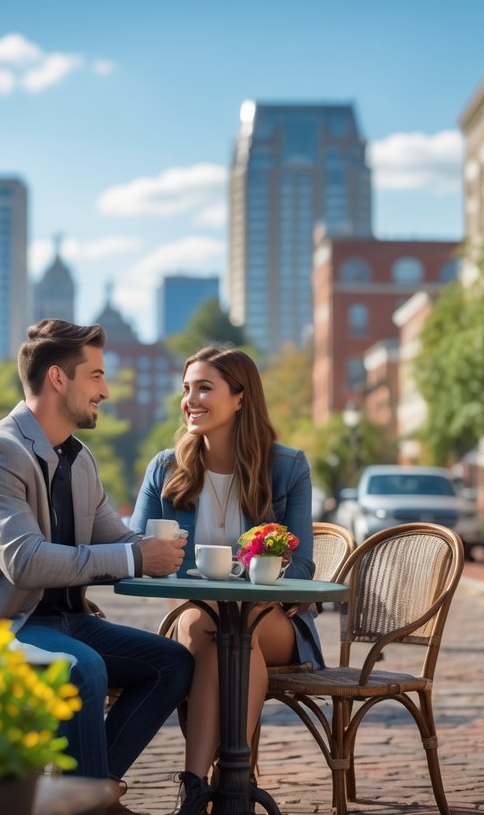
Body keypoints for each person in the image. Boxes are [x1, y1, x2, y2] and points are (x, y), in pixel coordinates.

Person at [0, 319, 194, 808]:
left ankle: (81, 795)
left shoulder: (78, 459)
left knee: (172, 664)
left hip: (62, 621)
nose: (107, 391)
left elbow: (116, 540)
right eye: (95, 376)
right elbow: (25, 562)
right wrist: (135, 555)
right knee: (82, 668)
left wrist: (166, 550)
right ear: (58, 378)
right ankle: (92, 802)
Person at [131, 345, 321, 815]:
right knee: (206, 625)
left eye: (204, 388)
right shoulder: (165, 469)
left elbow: (302, 566)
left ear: (240, 397)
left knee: (243, 623)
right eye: (186, 389)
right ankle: (204, 784)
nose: (191, 399)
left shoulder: (287, 467)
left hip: (272, 621)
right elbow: (136, 550)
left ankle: (228, 775)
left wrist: (255, 581)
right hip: (200, 618)